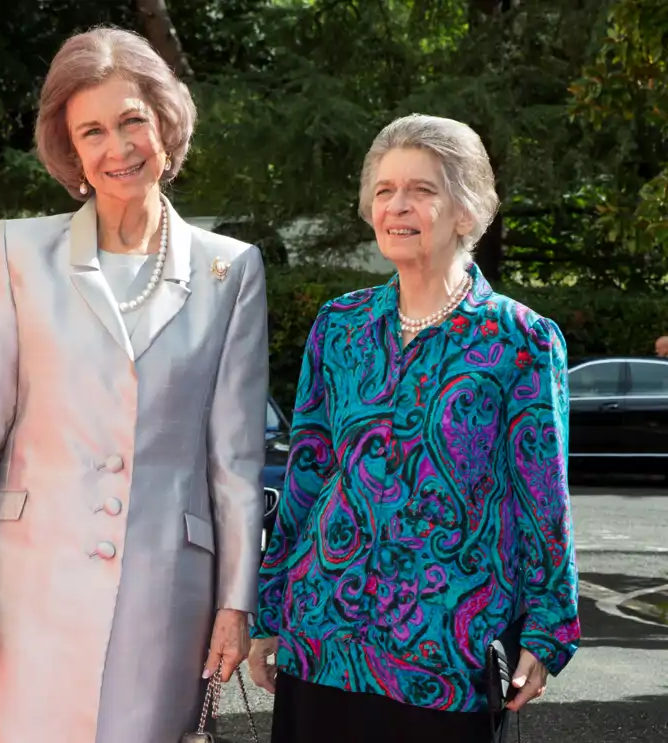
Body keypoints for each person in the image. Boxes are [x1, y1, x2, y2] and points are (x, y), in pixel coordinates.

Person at [0, 27, 268, 743]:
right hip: (23, 588)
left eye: (132, 120)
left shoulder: (231, 270)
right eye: (93, 131)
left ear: (166, 126)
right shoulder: (18, 250)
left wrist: (237, 603)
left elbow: (234, 459)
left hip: (165, 593)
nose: (119, 147)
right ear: (71, 151)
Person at [248, 114, 580, 743]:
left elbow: (544, 500)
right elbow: (309, 472)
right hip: (323, 634)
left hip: (447, 652)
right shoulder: (339, 326)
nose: (397, 206)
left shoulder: (521, 341)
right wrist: (272, 607)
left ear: (466, 211)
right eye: (384, 190)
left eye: (423, 190)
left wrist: (547, 626)